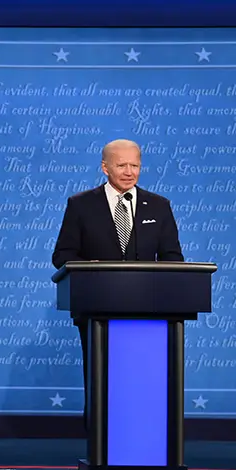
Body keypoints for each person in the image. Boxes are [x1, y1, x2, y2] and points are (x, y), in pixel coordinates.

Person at [51, 138, 184, 427]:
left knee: (143, 382)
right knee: (104, 379)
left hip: (150, 312)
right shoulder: (81, 205)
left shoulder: (159, 206)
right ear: (105, 167)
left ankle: (146, 433)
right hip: (97, 311)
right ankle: (100, 442)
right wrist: (89, 269)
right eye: (121, 165)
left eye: (134, 165)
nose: (129, 171)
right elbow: (62, 255)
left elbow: (173, 258)